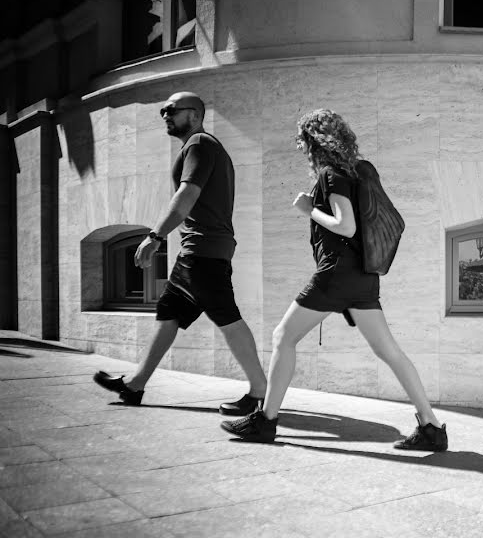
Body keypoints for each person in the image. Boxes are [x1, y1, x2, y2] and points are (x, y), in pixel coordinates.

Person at [220, 109, 447, 450]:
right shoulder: (356, 172)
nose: (301, 148)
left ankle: (265, 420)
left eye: (302, 142)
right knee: (389, 351)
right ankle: (431, 426)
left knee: (284, 336)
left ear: (313, 143)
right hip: (364, 277)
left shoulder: (331, 175)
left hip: (336, 275)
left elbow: (346, 225)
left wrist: (308, 208)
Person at [93, 92, 267, 417]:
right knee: (168, 313)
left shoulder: (199, 142)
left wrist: (154, 236)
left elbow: (187, 193)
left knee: (226, 316)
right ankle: (134, 385)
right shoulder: (202, 146)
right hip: (198, 250)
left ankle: (259, 391)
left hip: (203, 250)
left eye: (172, 110)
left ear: (196, 114)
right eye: (162, 110)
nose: (165, 115)